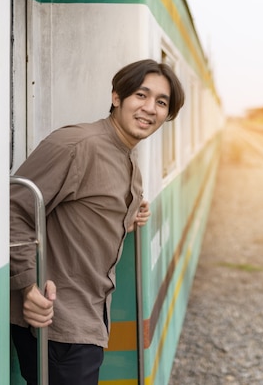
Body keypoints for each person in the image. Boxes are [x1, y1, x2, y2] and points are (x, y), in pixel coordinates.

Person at [10, 59, 185, 385]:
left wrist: (129, 215)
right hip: (56, 322)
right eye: (141, 95)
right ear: (117, 97)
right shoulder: (76, 145)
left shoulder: (125, 154)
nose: (150, 108)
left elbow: (85, 211)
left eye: (161, 102)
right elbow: (13, 208)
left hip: (87, 317)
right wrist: (26, 287)